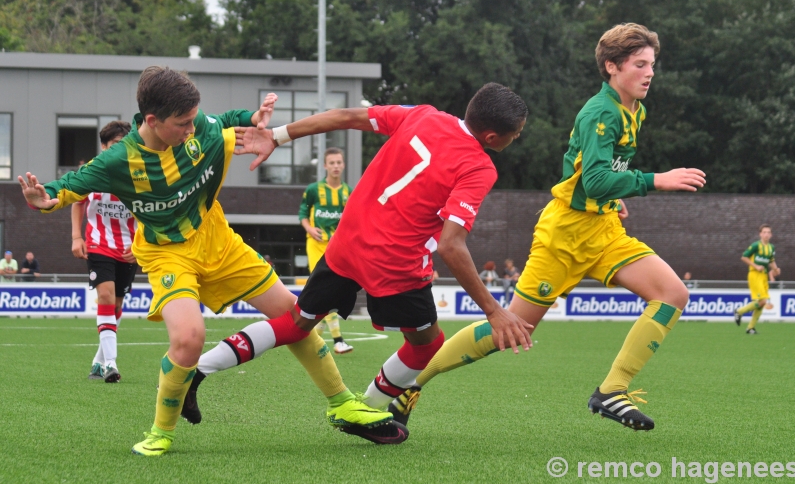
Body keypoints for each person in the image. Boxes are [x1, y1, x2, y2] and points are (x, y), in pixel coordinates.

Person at [19, 66, 392, 457]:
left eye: (194, 119)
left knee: (296, 317)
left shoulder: (201, 131)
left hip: (219, 241)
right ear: (152, 121)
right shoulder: (118, 161)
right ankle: (161, 432)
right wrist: (44, 198)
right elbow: (69, 185)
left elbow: (225, 120)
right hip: (167, 253)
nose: (192, 129)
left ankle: (341, 403)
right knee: (188, 339)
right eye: (183, 123)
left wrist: (253, 118)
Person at [388, 23, 706, 432]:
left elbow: (590, 173)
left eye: (652, 65)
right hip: (564, 236)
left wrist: (611, 196)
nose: (650, 73)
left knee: (673, 294)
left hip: (603, 229)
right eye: (640, 64)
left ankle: (612, 390)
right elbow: (594, 179)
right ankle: (412, 383)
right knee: (510, 329)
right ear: (612, 66)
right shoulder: (600, 113)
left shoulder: (635, 110)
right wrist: (652, 180)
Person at [189, 82, 533, 444]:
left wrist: (277, 135)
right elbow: (451, 245)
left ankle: (196, 373)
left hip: (346, 244)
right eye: (517, 135)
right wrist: (494, 311)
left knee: (295, 324)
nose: (516, 140)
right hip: (394, 265)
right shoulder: (480, 167)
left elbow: (346, 116)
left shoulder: (423, 114)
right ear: (493, 137)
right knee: (427, 344)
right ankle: (367, 410)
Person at [71, 121, 138, 383]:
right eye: (113, 146)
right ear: (103, 147)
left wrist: (141, 244)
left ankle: (99, 362)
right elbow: (76, 203)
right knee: (106, 296)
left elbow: (149, 211)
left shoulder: (139, 172)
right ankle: (111, 363)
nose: (118, 150)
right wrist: (77, 237)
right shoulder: (90, 171)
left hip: (130, 249)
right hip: (98, 244)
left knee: (117, 303)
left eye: (123, 146)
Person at [299, 147, 354, 354]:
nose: (336, 166)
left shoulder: (348, 191)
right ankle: (338, 340)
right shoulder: (314, 189)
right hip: (316, 245)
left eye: (339, 162)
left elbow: (351, 219)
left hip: (336, 247)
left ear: (343, 165)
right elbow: (303, 213)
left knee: (330, 290)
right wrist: (309, 228)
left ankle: (314, 338)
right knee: (324, 287)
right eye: (332, 163)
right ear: (325, 166)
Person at [734, 224, 780, 334]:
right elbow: (744, 257)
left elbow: (771, 261)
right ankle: (739, 311)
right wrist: (756, 266)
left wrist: (776, 269)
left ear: (771, 235)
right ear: (760, 234)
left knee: (761, 303)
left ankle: (750, 328)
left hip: (763, 276)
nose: (766, 234)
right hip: (754, 274)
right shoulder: (755, 246)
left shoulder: (771, 247)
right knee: (763, 301)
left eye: (768, 232)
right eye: (764, 232)